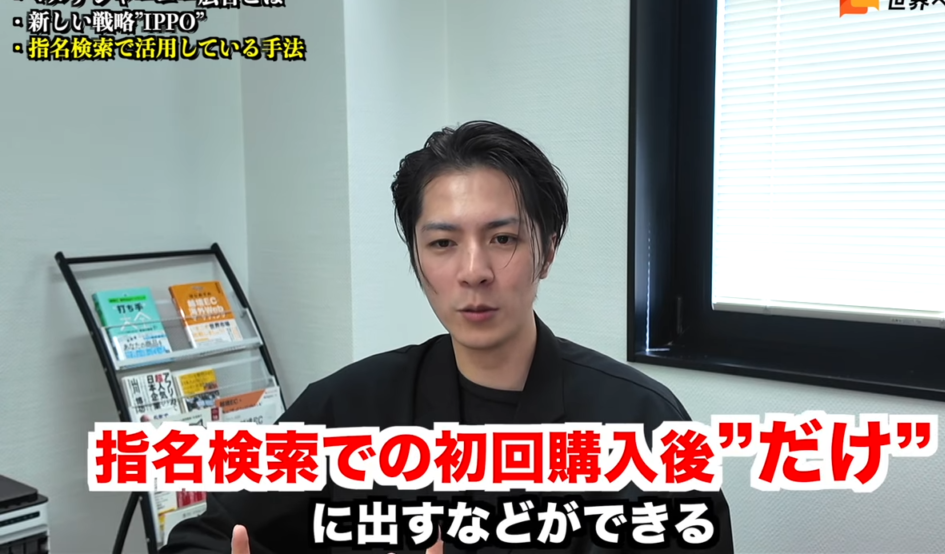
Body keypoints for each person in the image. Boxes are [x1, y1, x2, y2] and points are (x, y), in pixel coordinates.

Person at [161, 120, 734, 553]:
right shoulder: (344, 410)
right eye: (442, 244)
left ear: (547, 250)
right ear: (417, 260)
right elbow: (200, 539)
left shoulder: (643, 424)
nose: (473, 271)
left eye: (503, 239)